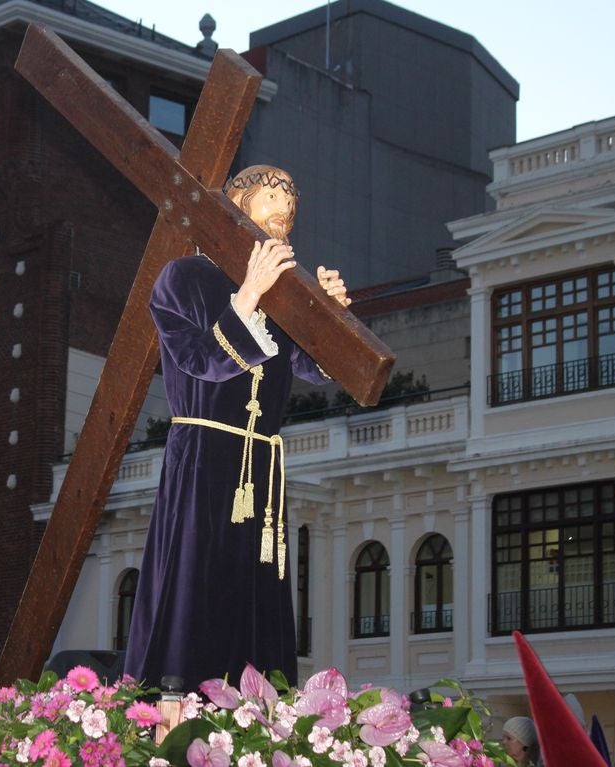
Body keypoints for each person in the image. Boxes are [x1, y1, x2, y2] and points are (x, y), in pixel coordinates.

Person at [123, 165, 350, 690]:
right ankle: (172, 704)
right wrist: (248, 295)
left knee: (257, 592)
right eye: (270, 202)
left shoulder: (285, 295)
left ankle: (257, 712)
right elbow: (199, 360)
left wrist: (331, 317)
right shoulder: (182, 279)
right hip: (202, 455)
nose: (282, 217)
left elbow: (312, 367)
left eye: (289, 212)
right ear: (236, 206)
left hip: (263, 470)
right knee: (195, 584)